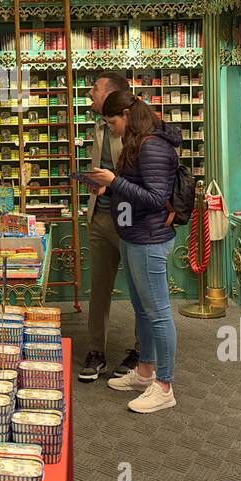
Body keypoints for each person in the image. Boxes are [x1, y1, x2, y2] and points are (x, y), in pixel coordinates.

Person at [88, 88, 180, 414]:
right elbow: (134, 189)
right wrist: (108, 186)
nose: (110, 128)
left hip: (150, 238)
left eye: (112, 121)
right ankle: (145, 372)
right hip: (134, 235)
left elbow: (155, 198)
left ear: (126, 116)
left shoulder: (152, 145)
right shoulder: (137, 142)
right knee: (143, 310)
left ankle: (164, 385)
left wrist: (114, 182)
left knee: (158, 313)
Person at [78, 72, 141, 383]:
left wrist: (114, 185)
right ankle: (96, 351)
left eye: (95, 88)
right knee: (99, 288)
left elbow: (142, 176)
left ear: (114, 93)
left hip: (128, 216)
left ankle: (141, 352)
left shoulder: (135, 126)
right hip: (99, 215)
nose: (90, 93)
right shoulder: (99, 124)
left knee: (140, 289)